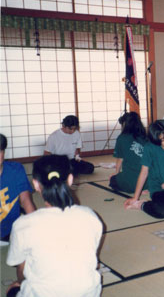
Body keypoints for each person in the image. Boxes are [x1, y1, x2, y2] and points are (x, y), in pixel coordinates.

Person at [6, 155, 103, 297]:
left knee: (12, 290)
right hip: (87, 292)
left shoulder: (23, 224)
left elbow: (21, 269)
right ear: (70, 179)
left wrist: (19, 284)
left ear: (36, 184)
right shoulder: (90, 215)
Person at [0, 134, 36, 245]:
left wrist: (37, 225)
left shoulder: (16, 169)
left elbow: (25, 200)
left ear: (4, 152)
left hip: (11, 232)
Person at [109, 112, 148, 193]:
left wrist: (116, 173)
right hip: (149, 181)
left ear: (125, 124)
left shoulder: (122, 138)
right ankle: (144, 188)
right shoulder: (146, 137)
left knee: (112, 180)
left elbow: (120, 159)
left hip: (131, 183)